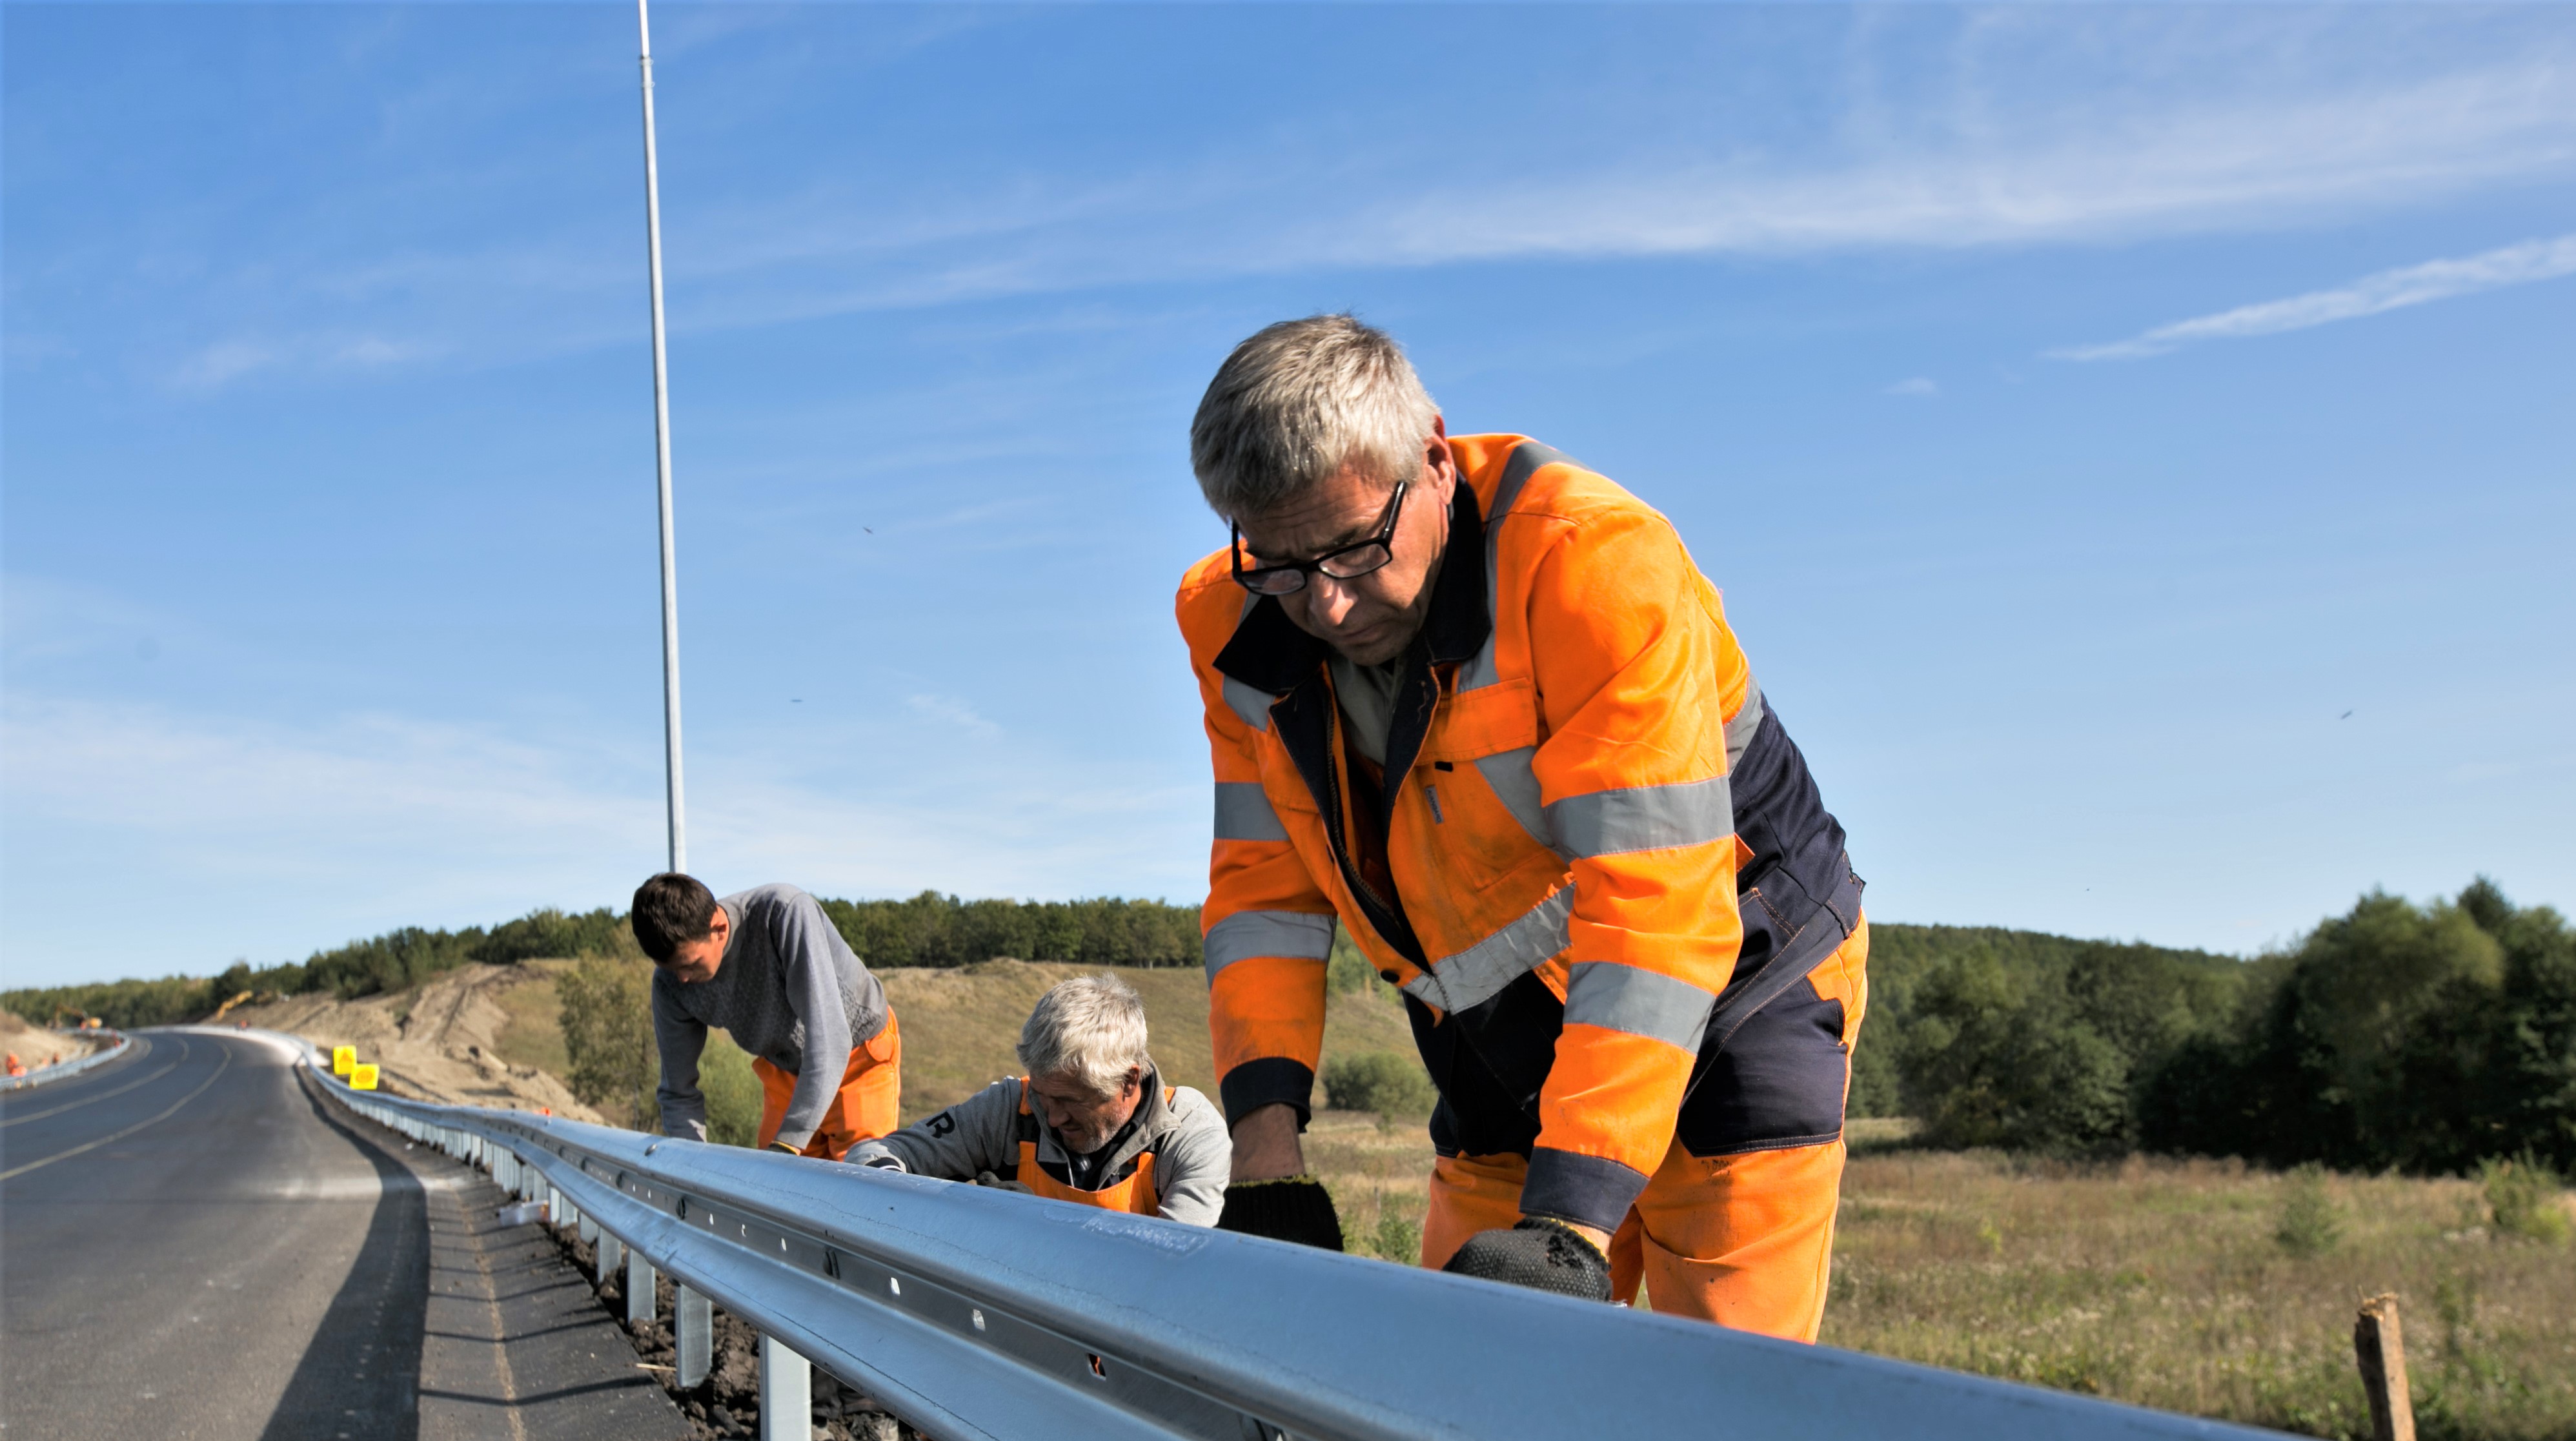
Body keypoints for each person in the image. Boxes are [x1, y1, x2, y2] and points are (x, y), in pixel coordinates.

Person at [1175, 314, 1867, 1336]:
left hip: (1733, 994)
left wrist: (1572, 1223)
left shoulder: (1594, 566)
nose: (1323, 603)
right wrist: (1267, 1163)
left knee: (1717, 1410)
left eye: (1355, 548)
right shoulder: (1231, 621)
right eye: (1278, 562)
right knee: (1462, 1390)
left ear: (1435, 460)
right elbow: (1265, 899)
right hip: (1494, 1037)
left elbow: (1655, 912)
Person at [844, 974, 1229, 1225]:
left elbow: (1172, 1272)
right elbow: (873, 1157)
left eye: (1071, 1101)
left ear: (1129, 1081)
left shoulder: (1188, 1132)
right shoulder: (1011, 1109)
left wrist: (1036, 1228)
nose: (1054, 1118)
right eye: (1044, 1096)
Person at [632, 873, 902, 1159]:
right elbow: (677, 1092)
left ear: (720, 929)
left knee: (859, 1179)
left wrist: (789, 1141)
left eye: (691, 964)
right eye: (671, 968)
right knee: (779, 1187)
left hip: (857, 1058)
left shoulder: (783, 914)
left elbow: (831, 1043)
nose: (683, 979)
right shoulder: (669, 982)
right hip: (785, 1071)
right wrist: (693, 1165)